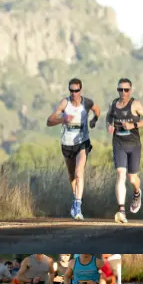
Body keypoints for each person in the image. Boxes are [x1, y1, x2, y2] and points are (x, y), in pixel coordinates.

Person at [46, 78, 100, 221]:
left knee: (79, 171)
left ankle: (77, 205)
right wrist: (62, 120)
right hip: (67, 144)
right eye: (71, 90)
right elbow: (49, 121)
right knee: (71, 175)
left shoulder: (86, 102)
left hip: (82, 142)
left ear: (80, 90)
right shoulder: (64, 103)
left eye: (76, 90)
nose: (74, 93)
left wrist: (94, 120)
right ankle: (75, 198)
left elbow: (97, 109)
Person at [105, 78, 143, 223]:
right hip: (118, 143)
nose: (123, 93)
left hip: (134, 145)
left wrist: (134, 125)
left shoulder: (135, 104)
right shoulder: (113, 104)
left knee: (132, 178)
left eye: (126, 90)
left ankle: (137, 193)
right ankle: (121, 210)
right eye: (120, 90)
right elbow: (108, 117)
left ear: (130, 91)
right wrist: (109, 125)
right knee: (121, 174)